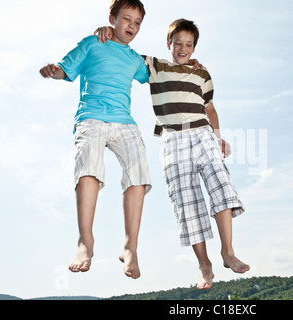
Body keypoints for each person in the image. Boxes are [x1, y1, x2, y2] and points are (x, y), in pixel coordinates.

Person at [96, 18, 250, 289]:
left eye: (189, 44)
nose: (183, 48)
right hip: (172, 138)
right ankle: (204, 265)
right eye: (178, 42)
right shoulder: (155, 65)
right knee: (186, 202)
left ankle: (228, 252)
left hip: (202, 133)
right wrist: (109, 33)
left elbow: (210, 108)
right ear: (169, 43)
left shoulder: (202, 73)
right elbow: (123, 53)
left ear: (194, 47)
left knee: (221, 185)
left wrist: (218, 136)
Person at [39, 0, 152, 279]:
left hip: (124, 122)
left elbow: (160, 74)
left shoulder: (136, 59)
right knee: (89, 166)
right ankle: (85, 242)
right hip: (91, 117)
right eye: (126, 19)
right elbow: (65, 69)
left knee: (139, 171)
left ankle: (130, 247)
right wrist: (54, 71)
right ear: (112, 18)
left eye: (137, 23)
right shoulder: (92, 43)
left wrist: (190, 63)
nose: (132, 26)